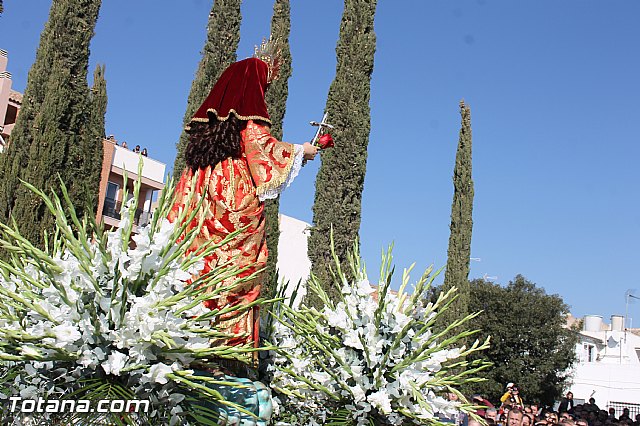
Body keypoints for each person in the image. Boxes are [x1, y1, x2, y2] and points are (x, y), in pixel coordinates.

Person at [169, 56, 318, 357]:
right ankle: (226, 349)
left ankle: (189, 334)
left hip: (203, 191)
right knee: (236, 271)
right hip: (234, 190)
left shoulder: (206, 133)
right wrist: (303, 150)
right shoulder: (250, 119)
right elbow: (264, 152)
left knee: (201, 262)